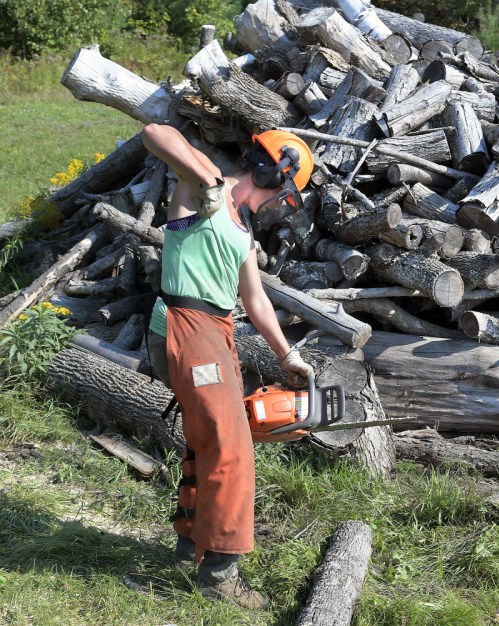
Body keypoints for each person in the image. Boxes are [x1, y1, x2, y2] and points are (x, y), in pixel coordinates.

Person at [141, 123, 316, 610]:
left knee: (212, 440)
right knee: (232, 447)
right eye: (288, 194)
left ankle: (187, 547)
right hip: (183, 323)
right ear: (277, 176)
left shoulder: (243, 231)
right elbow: (156, 132)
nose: (284, 204)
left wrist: (288, 355)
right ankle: (220, 575)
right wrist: (208, 181)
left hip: (217, 332)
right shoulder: (202, 191)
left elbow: (255, 299)